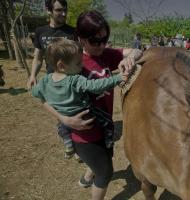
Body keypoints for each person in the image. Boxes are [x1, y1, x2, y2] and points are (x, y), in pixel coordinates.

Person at [41, 10, 142, 200]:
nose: (102, 45)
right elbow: (43, 98)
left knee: (104, 157)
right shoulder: (71, 62)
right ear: (81, 38)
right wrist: (64, 119)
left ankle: (87, 177)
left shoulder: (105, 54)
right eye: (96, 41)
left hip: (103, 126)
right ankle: (93, 178)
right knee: (105, 173)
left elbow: (137, 50)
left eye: (105, 39)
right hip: (82, 132)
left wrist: (131, 58)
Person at [31, 38, 128, 149]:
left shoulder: (45, 80)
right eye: (78, 63)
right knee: (106, 119)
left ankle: (66, 138)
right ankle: (108, 136)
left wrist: (34, 86)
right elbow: (96, 87)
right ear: (61, 66)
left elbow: (35, 93)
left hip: (63, 116)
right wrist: (117, 78)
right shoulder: (75, 80)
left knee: (62, 126)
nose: (82, 65)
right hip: (84, 113)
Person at [27, 0, 76, 158]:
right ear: (48, 11)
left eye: (65, 10)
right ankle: (68, 137)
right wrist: (33, 75)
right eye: (59, 10)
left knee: (72, 110)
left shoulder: (72, 32)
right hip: (52, 80)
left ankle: (76, 143)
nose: (63, 13)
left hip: (72, 79)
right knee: (60, 112)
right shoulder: (41, 31)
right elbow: (38, 57)